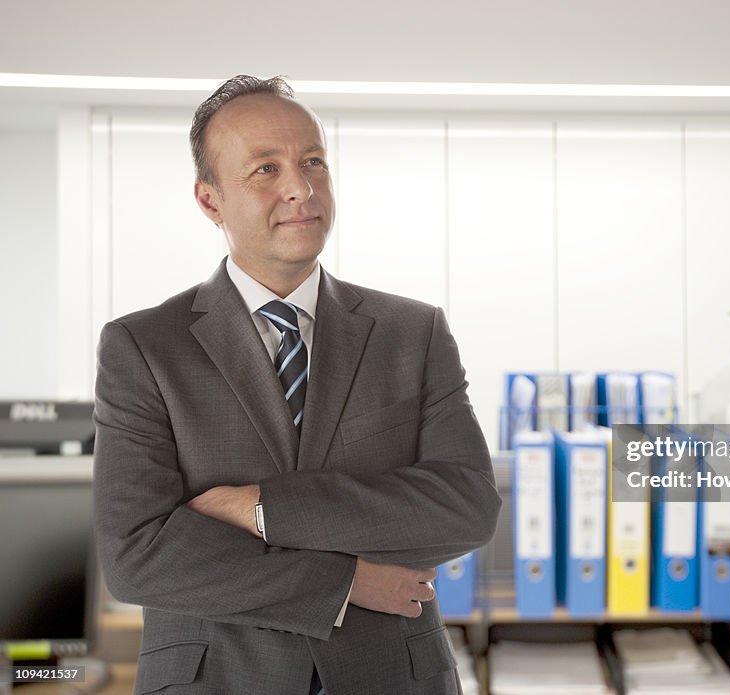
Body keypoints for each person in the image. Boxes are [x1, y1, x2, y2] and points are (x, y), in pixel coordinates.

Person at [93, 75, 501, 694]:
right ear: (210, 200)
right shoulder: (145, 347)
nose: (301, 188)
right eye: (265, 169)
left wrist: (260, 508)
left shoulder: (411, 332)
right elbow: (138, 556)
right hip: (217, 679)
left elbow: (466, 505)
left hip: (391, 676)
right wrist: (344, 583)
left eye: (313, 161)